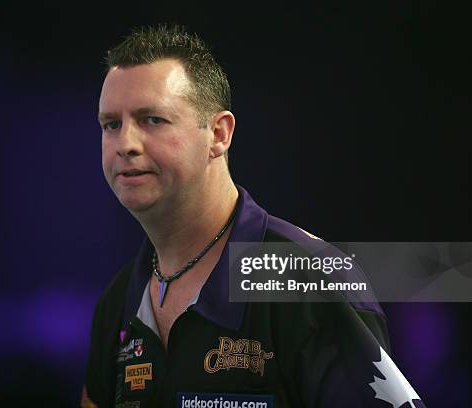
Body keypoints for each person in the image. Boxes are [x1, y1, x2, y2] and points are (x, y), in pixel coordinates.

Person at [82, 24, 425, 408]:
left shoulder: (306, 279)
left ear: (218, 134)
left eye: (152, 120)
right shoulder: (118, 303)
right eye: (111, 124)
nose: (125, 144)